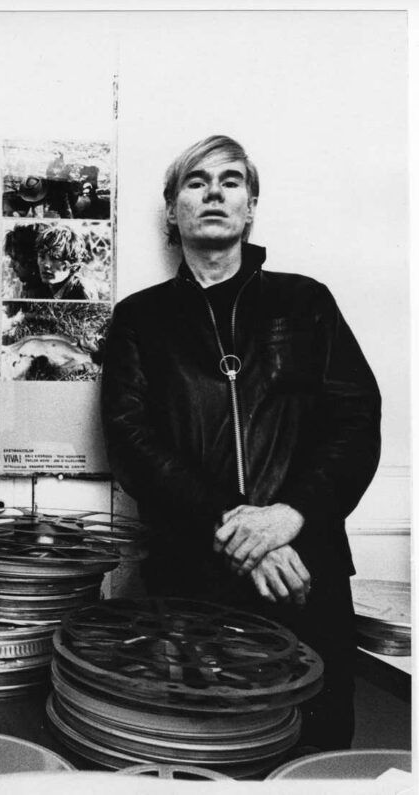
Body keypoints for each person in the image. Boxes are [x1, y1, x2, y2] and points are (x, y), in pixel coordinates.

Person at [102, 135, 381, 751]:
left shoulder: (305, 300)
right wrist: (238, 527)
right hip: (190, 577)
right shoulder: (140, 319)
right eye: (196, 182)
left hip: (308, 570)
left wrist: (287, 517)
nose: (214, 193)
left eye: (231, 181)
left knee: (318, 751)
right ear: (173, 208)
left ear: (250, 206)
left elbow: (356, 421)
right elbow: (132, 441)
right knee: (203, 749)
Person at [27, 225, 90, 300]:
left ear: (72, 263)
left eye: (55, 258)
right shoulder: (37, 287)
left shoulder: (82, 293)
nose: (46, 265)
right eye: (42, 256)